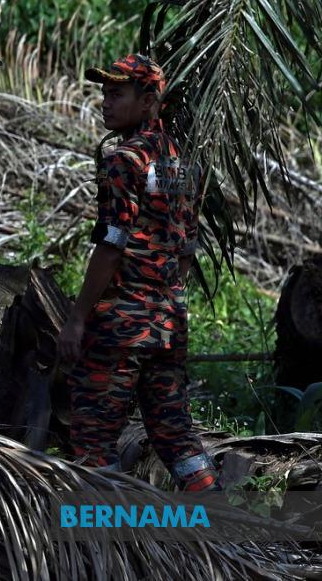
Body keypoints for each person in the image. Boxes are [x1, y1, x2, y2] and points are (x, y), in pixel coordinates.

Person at [56, 53, 219, 491]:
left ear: (149, 101)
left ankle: (104, 543)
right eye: (104, 93)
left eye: (117, 93)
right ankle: (223, 523)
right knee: (177, 435)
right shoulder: (185, 164)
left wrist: (77, 318)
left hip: (121, 323)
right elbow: (186, 250)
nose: (106, 103)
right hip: (168, 317)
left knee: (93, 436)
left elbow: (112, 244)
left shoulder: (125, 161)